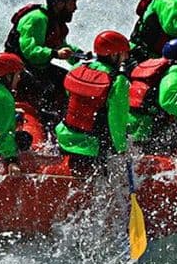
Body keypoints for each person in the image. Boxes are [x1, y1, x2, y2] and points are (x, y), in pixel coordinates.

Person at [4, 0, 84, 128]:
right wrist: (55, 54)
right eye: (72, 3)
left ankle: (64, 122)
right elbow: (30, 51)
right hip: (19, 68)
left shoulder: (54, 21)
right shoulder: (37, 19)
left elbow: (61, 46)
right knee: (47, 89)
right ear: (59, 3)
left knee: (67, 81)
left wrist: (80, 55)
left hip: (38, 67)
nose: (75, 8)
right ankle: (43, 125)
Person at [55, 30, 131, 174]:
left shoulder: (78, 67)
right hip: (92, 147)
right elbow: (117, 118)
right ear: (114, 55)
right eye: (124, 53)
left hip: (64, 137)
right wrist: (122, 149)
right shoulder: (118, 81)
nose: (126, 57)